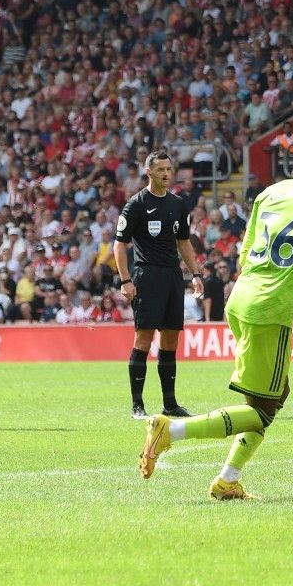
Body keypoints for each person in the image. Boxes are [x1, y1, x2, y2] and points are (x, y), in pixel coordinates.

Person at [138, 128, 293, 500]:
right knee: (263, 410)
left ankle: (228, 479)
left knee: (273, 395)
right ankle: (170, 430)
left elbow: (245, 252)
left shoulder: (270, 192)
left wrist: (292, 286)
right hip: (271, 309)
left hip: (242, 297)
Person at [112, 151, 203, 418]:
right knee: (143, 338)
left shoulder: (178, 204)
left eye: (169, 169)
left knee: (171, 338)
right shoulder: (136, 204)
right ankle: (137, 405)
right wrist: (126, 280)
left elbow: (183, 242)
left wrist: (195, 274)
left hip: (172, 276)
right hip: (146, 276)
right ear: (148, 172)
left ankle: (170, 403)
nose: (166, 173)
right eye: (160, 169)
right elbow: (120, 245)